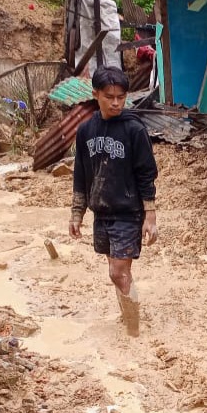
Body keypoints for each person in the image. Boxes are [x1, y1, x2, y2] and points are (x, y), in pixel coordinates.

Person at [69, 66, 159, 337]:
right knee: (114, 270)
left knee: (118, 272)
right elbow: (81, 173)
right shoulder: (86, 131)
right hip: (102, 212)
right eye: (110, 96)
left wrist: (150, 215)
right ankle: (128, 318)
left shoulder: (134, 130)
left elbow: (147, 173)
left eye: (121, 96)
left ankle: (133, 330)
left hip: (127, 212)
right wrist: (77, 213)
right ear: (95, 94)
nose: (116, 102)